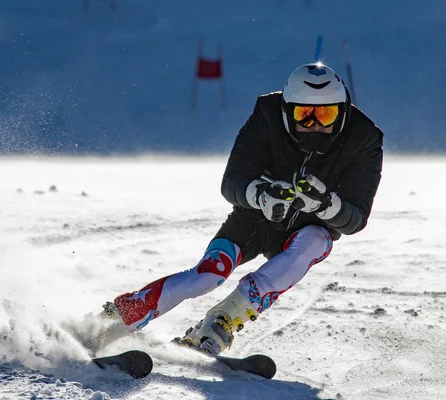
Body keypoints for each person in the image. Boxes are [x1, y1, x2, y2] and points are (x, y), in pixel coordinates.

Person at [96, 62, 383, 356]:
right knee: (207, 275)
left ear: (343, 111)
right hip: (253, 219)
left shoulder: (364, 139)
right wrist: (261, 196)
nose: (316, 125)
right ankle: (116, 317)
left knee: (315, 239)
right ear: (286, 111)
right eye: (304, 116)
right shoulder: (267, 115)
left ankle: (221, 322)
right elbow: (232, 180)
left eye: (326, 114)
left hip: (306, 232)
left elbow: (356, 218)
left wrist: (325, 205)